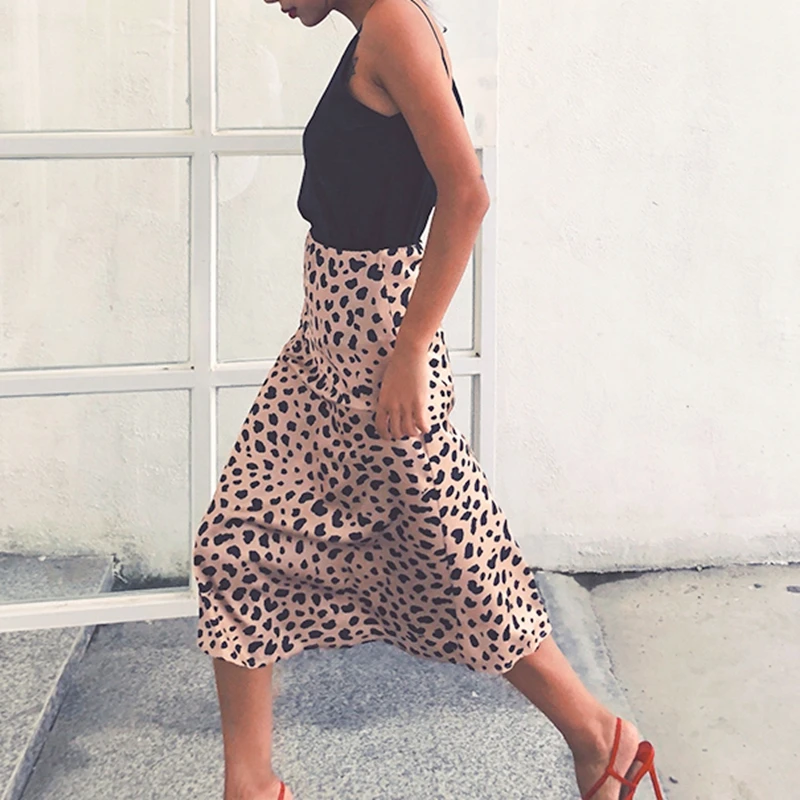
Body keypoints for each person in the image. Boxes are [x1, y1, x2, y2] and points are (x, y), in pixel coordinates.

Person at [192, 2, 664, 799]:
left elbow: (467, 193)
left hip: (374, 346)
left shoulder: (395, 28)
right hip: (327, 340)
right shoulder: (381, 29)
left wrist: (411, 349)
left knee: (456, 558)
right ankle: (251, 784)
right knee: (238, 543)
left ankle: (598, 737)